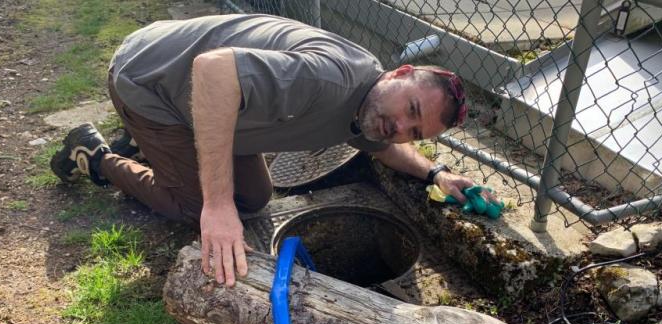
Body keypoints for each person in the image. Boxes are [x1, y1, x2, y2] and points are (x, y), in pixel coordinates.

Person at [50, 13, 488, 287]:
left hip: (207, 103)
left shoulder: (371, 110)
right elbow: (213, 70)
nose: (399, 128)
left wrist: (437, 175)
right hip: (150, 81)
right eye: (410, 108)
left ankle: (151, 146)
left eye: (414, 131)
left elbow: (384, 150)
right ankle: (97, 156)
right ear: (400, 72)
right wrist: (216, 205)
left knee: (257, 199)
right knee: (192, 206)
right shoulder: (330, 79)